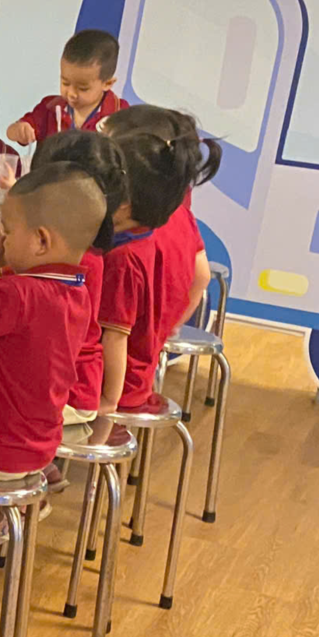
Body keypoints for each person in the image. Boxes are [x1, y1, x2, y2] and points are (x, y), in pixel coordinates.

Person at [0, 165, 107, 490]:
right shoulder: (75, 290)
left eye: (8, 231)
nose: (3, 240)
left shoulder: (16, 294)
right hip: (37, 448)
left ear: (41, 240)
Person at [95, 132, 200, 417]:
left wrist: (109, 399)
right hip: (135, 375)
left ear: (124, 203)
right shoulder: (144, 238)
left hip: (116, 385)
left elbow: (115, 337)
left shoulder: (123, 259)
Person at [29, 131, 128, 428]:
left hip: (66, 393)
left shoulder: (71, 258)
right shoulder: (83, 249)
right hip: (72, 386)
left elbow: (1, 283)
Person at [104, 105, 220, 344]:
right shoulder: (181, 215)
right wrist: (164, 332)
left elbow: (113, 338)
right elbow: (201, 275)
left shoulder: (123, 251)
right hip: (144, 357)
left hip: (113, 363)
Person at [6, 29, 123, 146]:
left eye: (82, 88)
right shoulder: (50, 107)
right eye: (65, 83)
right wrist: (20, 130)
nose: (71, 93)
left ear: (107, 84)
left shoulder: (120, 114)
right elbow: (11, 131)